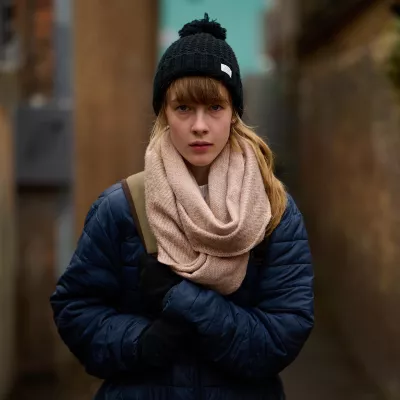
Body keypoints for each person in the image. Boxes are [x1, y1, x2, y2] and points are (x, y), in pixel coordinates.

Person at [50, 13, 314, 400]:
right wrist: (142, 342)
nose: (200, 125)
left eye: (215, 108)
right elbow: (75, 310)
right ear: (164, 114)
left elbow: (281, 335)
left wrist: (183, 301)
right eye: (184, 108)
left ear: (234, 114)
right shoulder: (122, 207)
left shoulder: (273, 212)